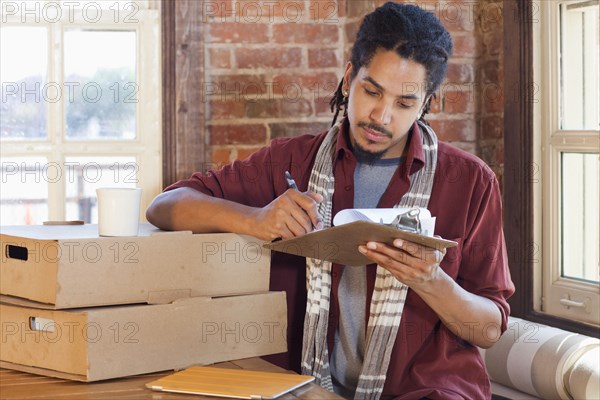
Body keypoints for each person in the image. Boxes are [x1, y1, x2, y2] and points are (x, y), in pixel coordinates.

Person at [146, 2, 515, 399]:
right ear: (348, 78)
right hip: (311, 388)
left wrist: (431, 280)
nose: (381, 115)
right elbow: (165, 206)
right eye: (371, 90)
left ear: (427, 103)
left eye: (404, 103)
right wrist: (255, 220)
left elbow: (488, 331)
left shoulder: (470, 181)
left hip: (429, 391)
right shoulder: (290, 162)